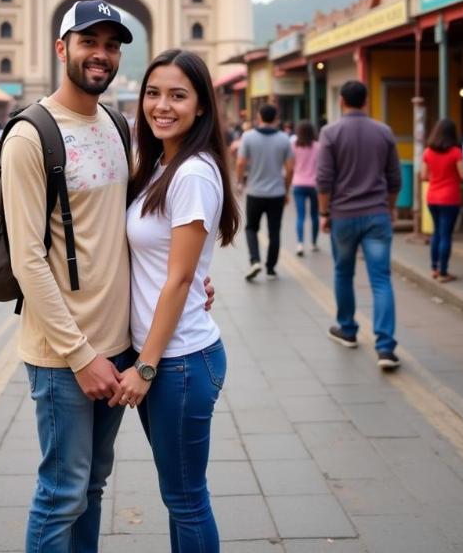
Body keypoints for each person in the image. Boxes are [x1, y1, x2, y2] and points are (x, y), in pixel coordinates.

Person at [1, 0, 215, 552]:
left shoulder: (118, 126)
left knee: (91, 487)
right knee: (61, 493)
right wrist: (79, 354)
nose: (101, 54)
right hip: (65, 355)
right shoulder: (31, 135)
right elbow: (28, 260)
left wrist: (189, 277)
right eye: (88, 41)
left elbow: (127, 231)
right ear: (61, 47)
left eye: (112, 44)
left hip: (118, 348)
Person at [116, 49, 239, 552]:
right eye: (153, 93)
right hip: (169, 358)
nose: (161, 106)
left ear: (202, 106)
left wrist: (145, 368)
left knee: (186, 498)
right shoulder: (160, 165)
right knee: (179, 495)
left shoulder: (190, 173)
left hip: (179, 363)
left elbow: (180, 278)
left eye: (177, 96)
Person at [317, 80, 402, 369]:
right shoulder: (384, 131)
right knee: (381, 279)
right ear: (366, 101)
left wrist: (324, 212)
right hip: (377, 213)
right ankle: (386, 347)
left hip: (342, 214)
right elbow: (395, 178)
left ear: (341, 101)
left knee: (343, 272)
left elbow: (324, 179)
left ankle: (348, 329)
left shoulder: (330, 133)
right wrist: (390, 208)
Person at [236, 103, 294, 281]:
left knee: (251, 228)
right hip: (276, 193)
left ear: (259, 117)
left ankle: (255, 260)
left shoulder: (248, 137)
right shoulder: (284, 139)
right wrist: (286, 189)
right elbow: (290, 168)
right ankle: (270, 268)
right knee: (274, 231)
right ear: (276, 118)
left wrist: (240, 182)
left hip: (255, 192)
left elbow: (240, 163)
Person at [422, 119, 463, 282]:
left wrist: (437, 177)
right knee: (446, 234)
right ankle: (444, 272)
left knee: (437, 233)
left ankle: (434, 268)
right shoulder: (456, 152)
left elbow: (424, 176)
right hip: (450, 198)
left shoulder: (428, 152)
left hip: (432, 197)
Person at [292, 119, 320, 256]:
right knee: (314, 215)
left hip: (298, 184)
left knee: (300, 216)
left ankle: (300, 244)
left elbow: (290, 165)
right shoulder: (318, 146)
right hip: (314, 185)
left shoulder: (294, 145)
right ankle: (314, 243)